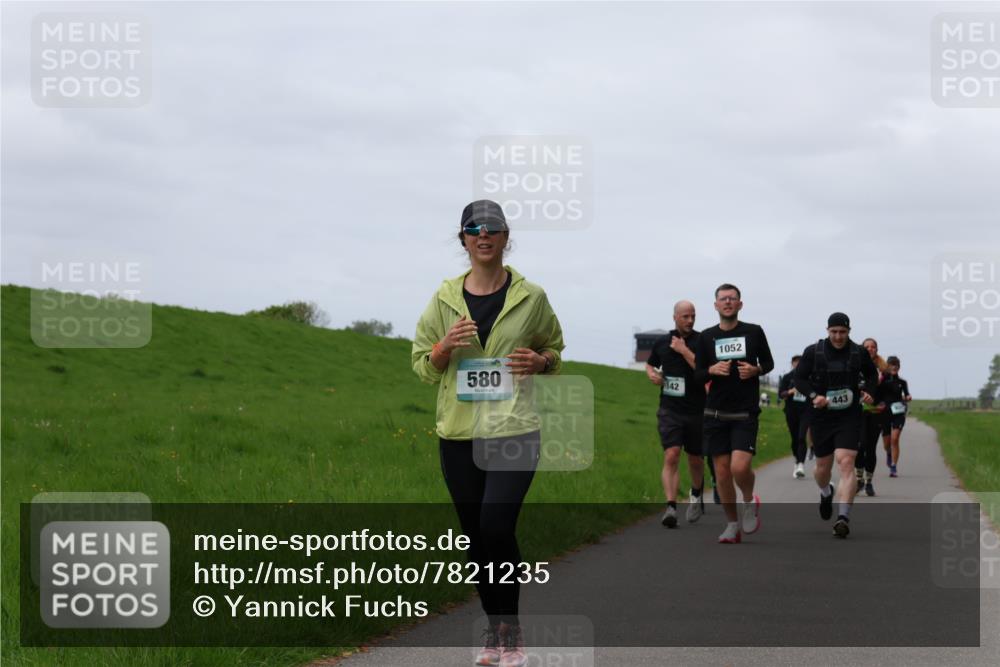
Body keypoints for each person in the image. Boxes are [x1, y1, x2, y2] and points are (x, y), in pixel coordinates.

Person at [411, 200, 564, 667]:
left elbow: (554, 349)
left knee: (497, 524)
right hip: (458, 434)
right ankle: (494, 633)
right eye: (473, 228)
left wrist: (541, 363)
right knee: (477, 537)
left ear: (504, 236)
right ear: (463, 239)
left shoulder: (531, 296)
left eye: (491, 227)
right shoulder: (443, 300)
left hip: (515, 429)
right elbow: (422, 366)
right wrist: (443, 348)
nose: (483, 234)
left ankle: (511, 631)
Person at [694, 284, 774, 544]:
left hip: (744, 412)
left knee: (740, 467)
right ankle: (731, 524)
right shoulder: (706, 337)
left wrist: (756, 370)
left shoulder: (753, 331)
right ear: (715, 305)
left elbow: (769, 363)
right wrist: (711, 371)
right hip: (715, 412)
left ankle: (749, 502)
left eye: (732, 298)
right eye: (723, 299)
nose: (728, 302)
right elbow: (697, 374)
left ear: (740, 304)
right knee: (722, 473)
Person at [794, 313, 879, 538]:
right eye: (834, 332)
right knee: (822, 468)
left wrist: (870, 392)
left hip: (849, 416)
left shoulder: (859, 352)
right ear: (827, 330)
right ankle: (825, 492)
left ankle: (843, 517)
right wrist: (814, 395)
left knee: (846, 462)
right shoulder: (813, 352)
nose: (838, 336)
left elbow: (872, 375)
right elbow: (799, 379)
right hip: (821, 416)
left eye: (842, 332)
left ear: (849, 331)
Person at [645, 301, 709, 527]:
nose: (690, 320)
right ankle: (671, 507)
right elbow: (650, 364)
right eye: (685, 316)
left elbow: (704, 370)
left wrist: (683, 350)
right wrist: (651, 374)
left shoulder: (703, 341)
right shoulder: (662, 342)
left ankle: (696, 493)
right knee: (671, 454)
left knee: (695, 458)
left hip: (697, 410)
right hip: (670, 409)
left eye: (693, 316)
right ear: (675, 317)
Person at [855, 338, 889, 495]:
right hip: (858, 412)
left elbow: (891, 393)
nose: (870, 349)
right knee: (859, 446)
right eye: (866, 347)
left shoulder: (884, 369)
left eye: (873, 347)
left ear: (877, 349)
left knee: (870, 448)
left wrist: (883, 403)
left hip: (876, 413)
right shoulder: (855, 366)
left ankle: (869, 481)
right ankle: (858, 479)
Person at [778, 355, 810, 479]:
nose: (798, 364)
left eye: (800, 362)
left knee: (802, 437)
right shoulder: (787, 378)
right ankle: (797, 460)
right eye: (795, 362)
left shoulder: (809, 377)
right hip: (791, 411)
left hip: (806, 411)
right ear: (792, 363)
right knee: (795, 438)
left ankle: (801, 464)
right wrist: (790, 392)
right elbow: (781, 394)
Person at [880, 356, 912, 478]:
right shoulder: (882, 381)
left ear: (899, 367)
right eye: (891, 365)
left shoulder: (902, 382)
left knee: (895, 438)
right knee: (886, 444)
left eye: (896, 365)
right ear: (887, 366)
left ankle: (893, 466)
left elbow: (907, 394)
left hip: (898, 412)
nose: (894, 367)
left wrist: (908, 397)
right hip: (884, 413)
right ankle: (889, 453)